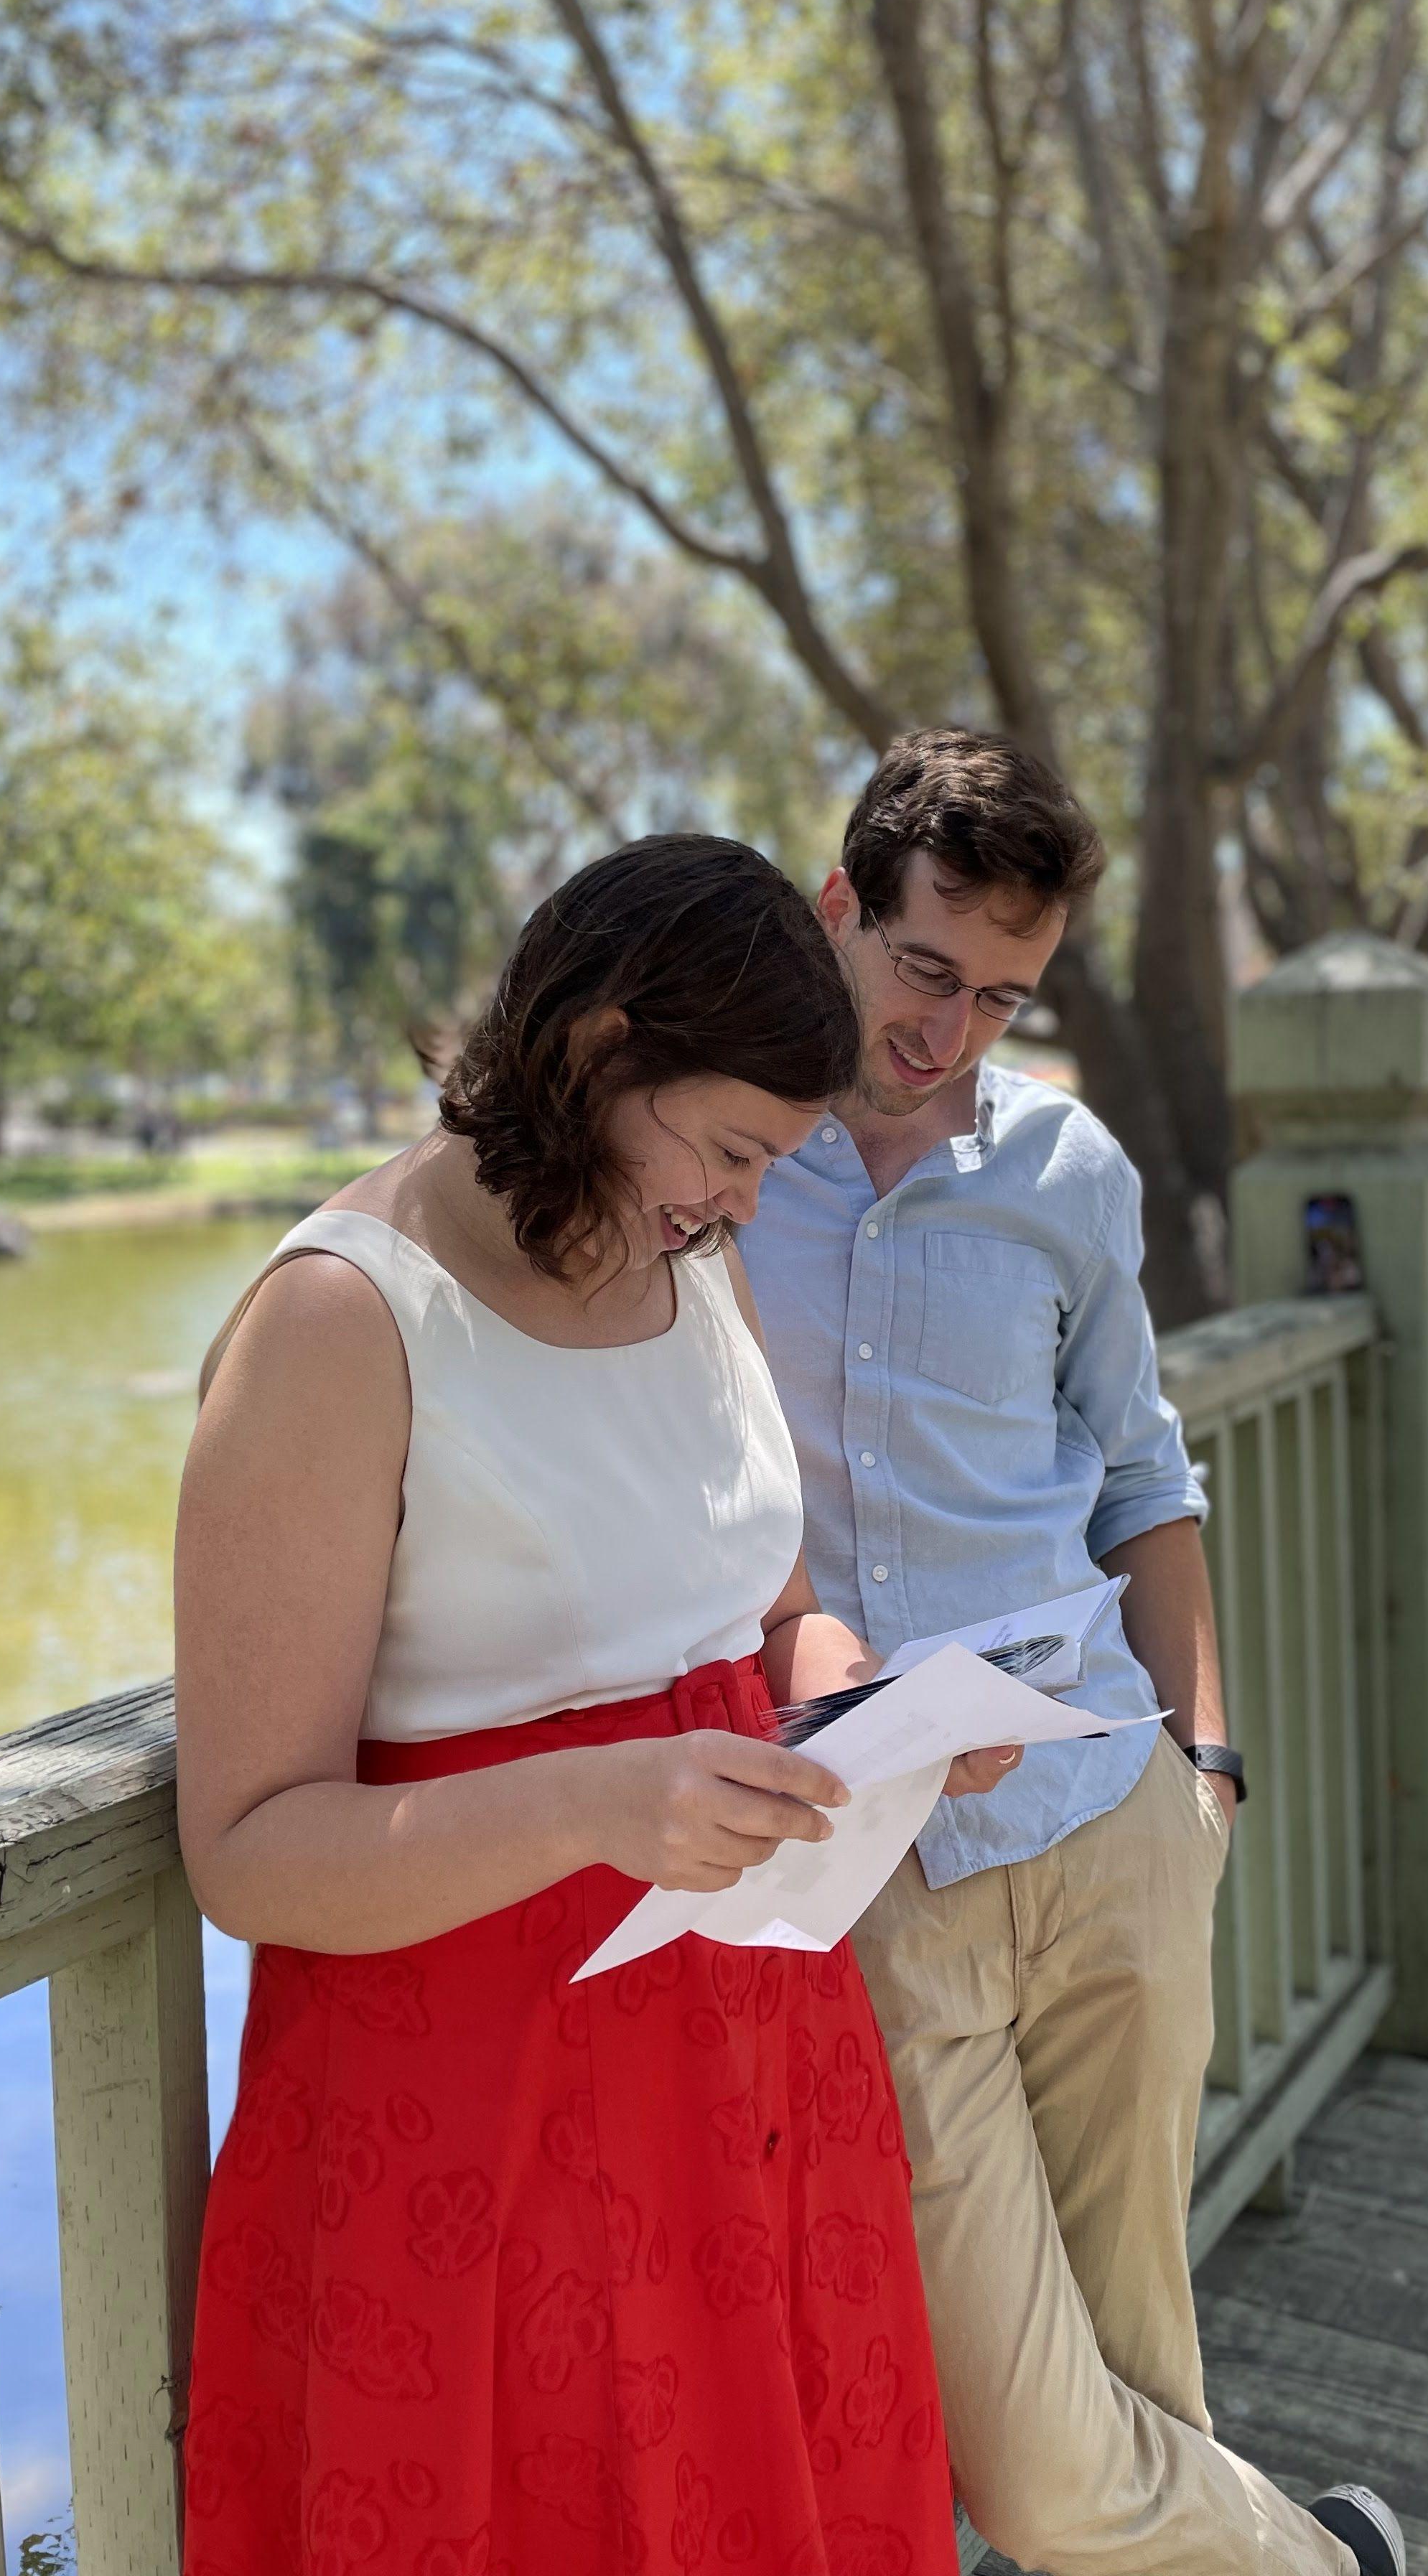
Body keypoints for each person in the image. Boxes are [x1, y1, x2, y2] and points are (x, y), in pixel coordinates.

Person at [173, 833, 992, 2576]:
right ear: (600, 1046)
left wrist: (865, 1711)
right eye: (731, 1151)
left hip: (748, 2070)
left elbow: (775, 1611)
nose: (746, 1205)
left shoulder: (687, 1255)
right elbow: (245, 1853)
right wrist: (592, 1803)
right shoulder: (337, 1321)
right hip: (481, 2128)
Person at [744, 732, 1409, 2576]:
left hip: (1111, 1815)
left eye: (1002, 998)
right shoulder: (726, 1162)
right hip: (887, 1873)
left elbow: (1140, 1474)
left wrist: (1208, 1771)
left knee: (1139, 2372)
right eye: (925, 970)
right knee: (1032, 2466)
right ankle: (1335, 2562)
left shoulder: (1068, 1167)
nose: (950, 1032)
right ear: (841, 907)